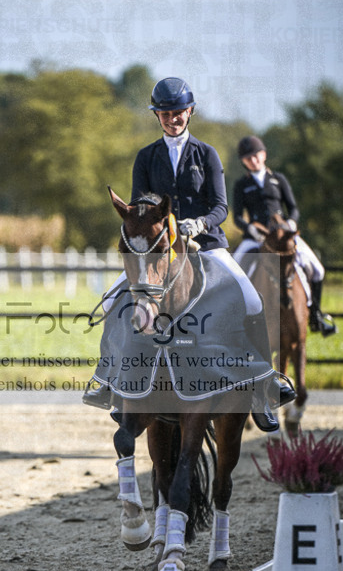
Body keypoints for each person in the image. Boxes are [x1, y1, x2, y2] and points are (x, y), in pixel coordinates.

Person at [84, 77, 295, 432]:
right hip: (159, 250)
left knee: (253, 300)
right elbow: (138, 208)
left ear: (190, 111)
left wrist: (198, 224)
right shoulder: (146, 157)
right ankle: (110, 383)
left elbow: (221, 206)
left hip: (207, 244)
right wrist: (163, 226)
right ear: (158, 116)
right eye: (165, 114)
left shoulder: (206, 154)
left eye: (178, 112)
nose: (172, 119)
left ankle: (264, 386)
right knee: (109, 303)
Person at [232, 135, 336, 336]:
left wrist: (291, 222)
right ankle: (235, 322)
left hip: (283, 236)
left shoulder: (278, 179)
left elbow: (293, 208)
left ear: (263, 154)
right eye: (247, 158)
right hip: (256, 238)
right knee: (233, 274)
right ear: (243, 161)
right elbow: (237, 216)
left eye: (255, 156)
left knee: (318, 269)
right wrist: (249, 229)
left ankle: (315, 315)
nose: (252, 160)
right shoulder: (241, 185)